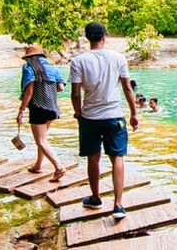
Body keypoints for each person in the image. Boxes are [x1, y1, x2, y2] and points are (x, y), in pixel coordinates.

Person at [70, 22, 138, 220]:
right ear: (104, 37)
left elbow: (75, 93)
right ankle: (118, 205)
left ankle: (95, 198)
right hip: (115, 116)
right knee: (117, 157)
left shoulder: (78, 61)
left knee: (93, 157)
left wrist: (78, 113)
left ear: (87, 38)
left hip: (90, 117)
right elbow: (127, 87)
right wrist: (134, 113)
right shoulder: (118, 58)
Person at [16, 46, 67, 181]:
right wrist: (47, 91)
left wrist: (21, 110)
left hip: (38, 108)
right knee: (43, 139)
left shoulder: (29, 68)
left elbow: (29, 92)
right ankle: (38, 165)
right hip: (52, 108)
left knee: (41, 141)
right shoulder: (53, 68)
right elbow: (61, 88)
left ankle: (59, 167)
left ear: (29, 58)